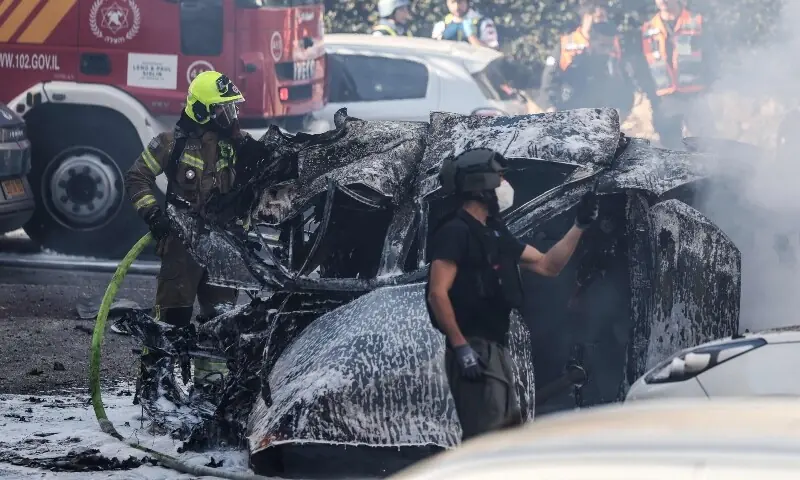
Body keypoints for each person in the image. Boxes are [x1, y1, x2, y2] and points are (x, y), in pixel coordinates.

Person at [124, 70, 286, 401]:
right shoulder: (171, 144)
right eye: (223, 110)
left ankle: (209, 392)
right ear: (201, 111)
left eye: (232, 110)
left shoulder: (237, 148)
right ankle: (154, 393)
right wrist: (154, 215)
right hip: (181, 250)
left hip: (223, 252)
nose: (231, 117)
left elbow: (263, 188)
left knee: (222, 325)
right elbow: (136, 177)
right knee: (171, 323)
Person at [425, 148, 598, 441]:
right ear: (481, 186)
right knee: (486, 442)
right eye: (500, 178)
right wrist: (461, 346)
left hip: (496, 349)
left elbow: (547, 266)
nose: (505, 186)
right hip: (474, 348)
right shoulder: (455, 232)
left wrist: (579, 226)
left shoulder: (493, 232)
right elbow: (437, 293)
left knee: (503, 440)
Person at [632, 0, 717, 149]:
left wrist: (708, 84)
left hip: (695, 94)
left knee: (706, 144)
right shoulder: (648, 28)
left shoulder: (697, 22)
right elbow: (642, 66)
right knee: (671, 148)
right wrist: (651, 94)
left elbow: (712, 55)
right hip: (665, 97)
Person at [538, 0, 636, 118]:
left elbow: (625, 78)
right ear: (586, 15)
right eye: (597, 14)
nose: (602, 20)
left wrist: (625, 108)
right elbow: (548, 81)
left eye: (603, 14)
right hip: (570, 113)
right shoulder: (566, 44)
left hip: (602, 114)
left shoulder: (612, 43)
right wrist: (550, 108)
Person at [431, 0, 499, 49]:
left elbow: (494, 51)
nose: (457, 6)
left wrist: (472, 37)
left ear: (467, 2)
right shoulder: (441, 25)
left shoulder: (484, 23)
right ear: (447, 3)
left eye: (460, 1)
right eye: (453, 2)